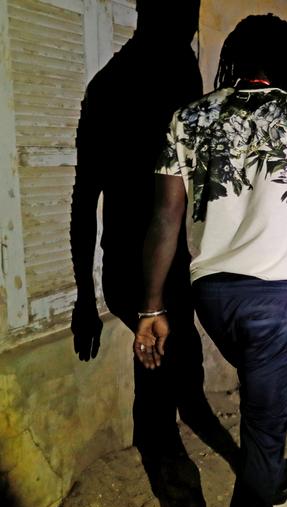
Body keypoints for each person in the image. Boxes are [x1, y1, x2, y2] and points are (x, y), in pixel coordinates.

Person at [132, 15, 287, 507]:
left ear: (232, 59)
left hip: (211, 297)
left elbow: (164, 217)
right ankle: (264, 489)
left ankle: (274, 474)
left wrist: (151, 308)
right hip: (275, 304)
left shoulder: (187, 119)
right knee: (262, 432)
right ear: (286, 63)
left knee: (263, 414)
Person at [69, 0, 236, 466]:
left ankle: (175, 461)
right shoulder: (154, 78)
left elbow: (88, 197)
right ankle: (185, 481)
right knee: (172, 372)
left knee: (169, 370)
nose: (191, 24)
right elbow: (88, 198)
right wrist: (86, 298)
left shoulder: (129, 79)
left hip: (148, 266)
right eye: (187, 12)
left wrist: (88, 295)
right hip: (146, 268)